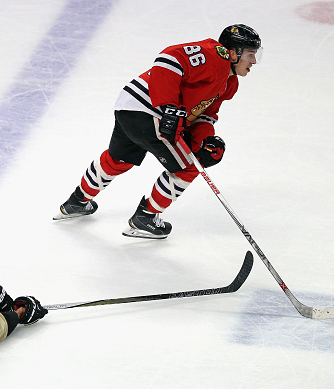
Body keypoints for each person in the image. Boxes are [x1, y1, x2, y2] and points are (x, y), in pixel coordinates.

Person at [54, 24, 262, 239]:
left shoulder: (229, 84)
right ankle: (145, 218)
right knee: (188, 167)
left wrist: (205, 141)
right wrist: (168, 106)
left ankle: (76, 203)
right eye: (250, 54)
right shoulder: (214, 56)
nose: (254, 62)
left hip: (130, 108)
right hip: (151, 111)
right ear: (232, 52)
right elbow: (170, 58)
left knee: (119, 159)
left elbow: (204, 115)